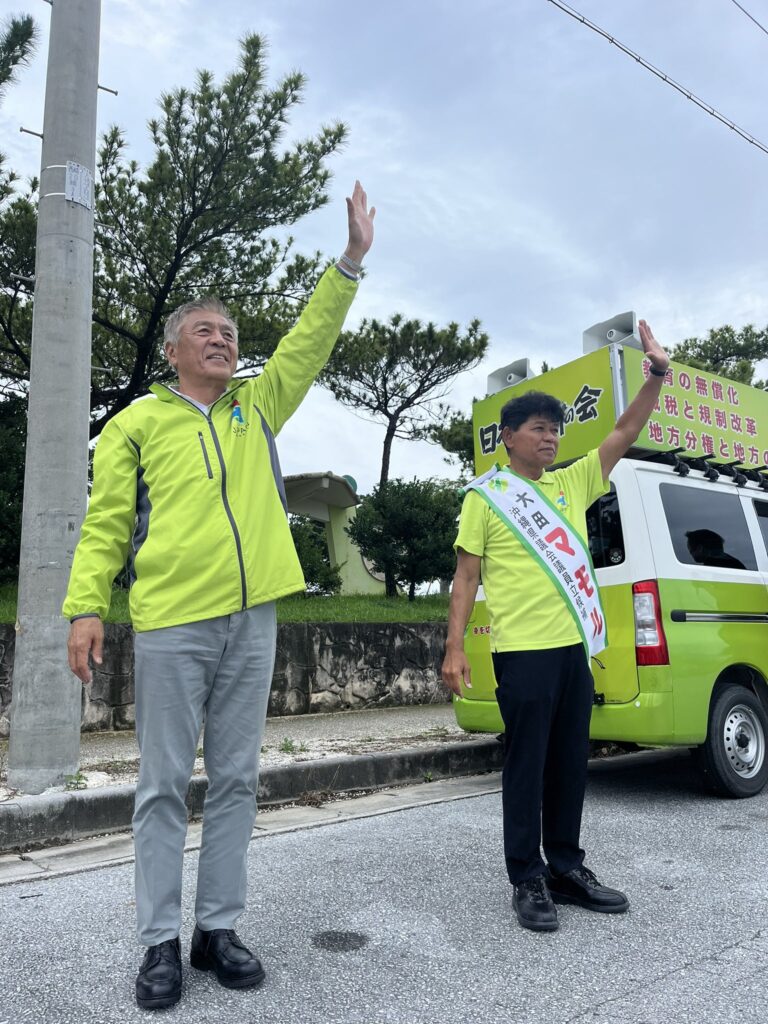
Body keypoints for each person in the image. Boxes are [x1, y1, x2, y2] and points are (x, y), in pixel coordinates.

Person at [64, 182, 375, 1009]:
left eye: (230, 333)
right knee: (164, 784)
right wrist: (86, 605)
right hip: (171, 621)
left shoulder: (255, 407)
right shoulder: (136, 423)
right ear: (173, 349)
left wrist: (348, 263)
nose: (221, 340)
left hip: (254, 617)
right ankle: (158, 943)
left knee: (237, 777)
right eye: (204, 330)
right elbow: (102, 527)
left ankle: (218, 928)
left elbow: (307, 344)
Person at [441, 320, 669, 933]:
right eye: (540, 429)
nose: (550, 439)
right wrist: (454, 646)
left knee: (571, 761)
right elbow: (466, 578)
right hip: (521, 654)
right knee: (527, 765)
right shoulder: (485, 497)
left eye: (556, 430)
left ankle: (566, 867)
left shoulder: (571, 483)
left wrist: (656, 377)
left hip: (572, 651)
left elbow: (624, 431)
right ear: (508, 437)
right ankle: (527, 877)